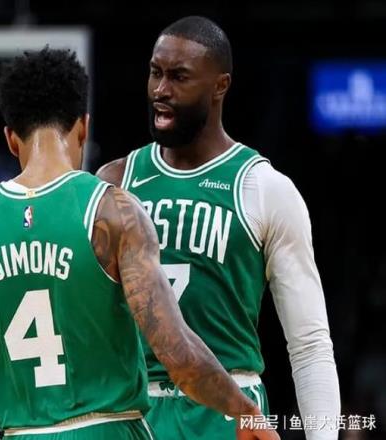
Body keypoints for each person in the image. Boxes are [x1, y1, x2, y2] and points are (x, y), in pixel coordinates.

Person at [0, 47, 279, 440]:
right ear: (83, 126)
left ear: (11, 139)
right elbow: (177, 354)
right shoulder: (113, 212)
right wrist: (244, 409)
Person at [97, 16, 340, 440]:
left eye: (179, 77)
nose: (160, 90)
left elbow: (309, 344)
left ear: (220, 86)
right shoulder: (114, 182)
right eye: (155, 73)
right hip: (135, 409)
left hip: (228, 409)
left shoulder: (265, 188)